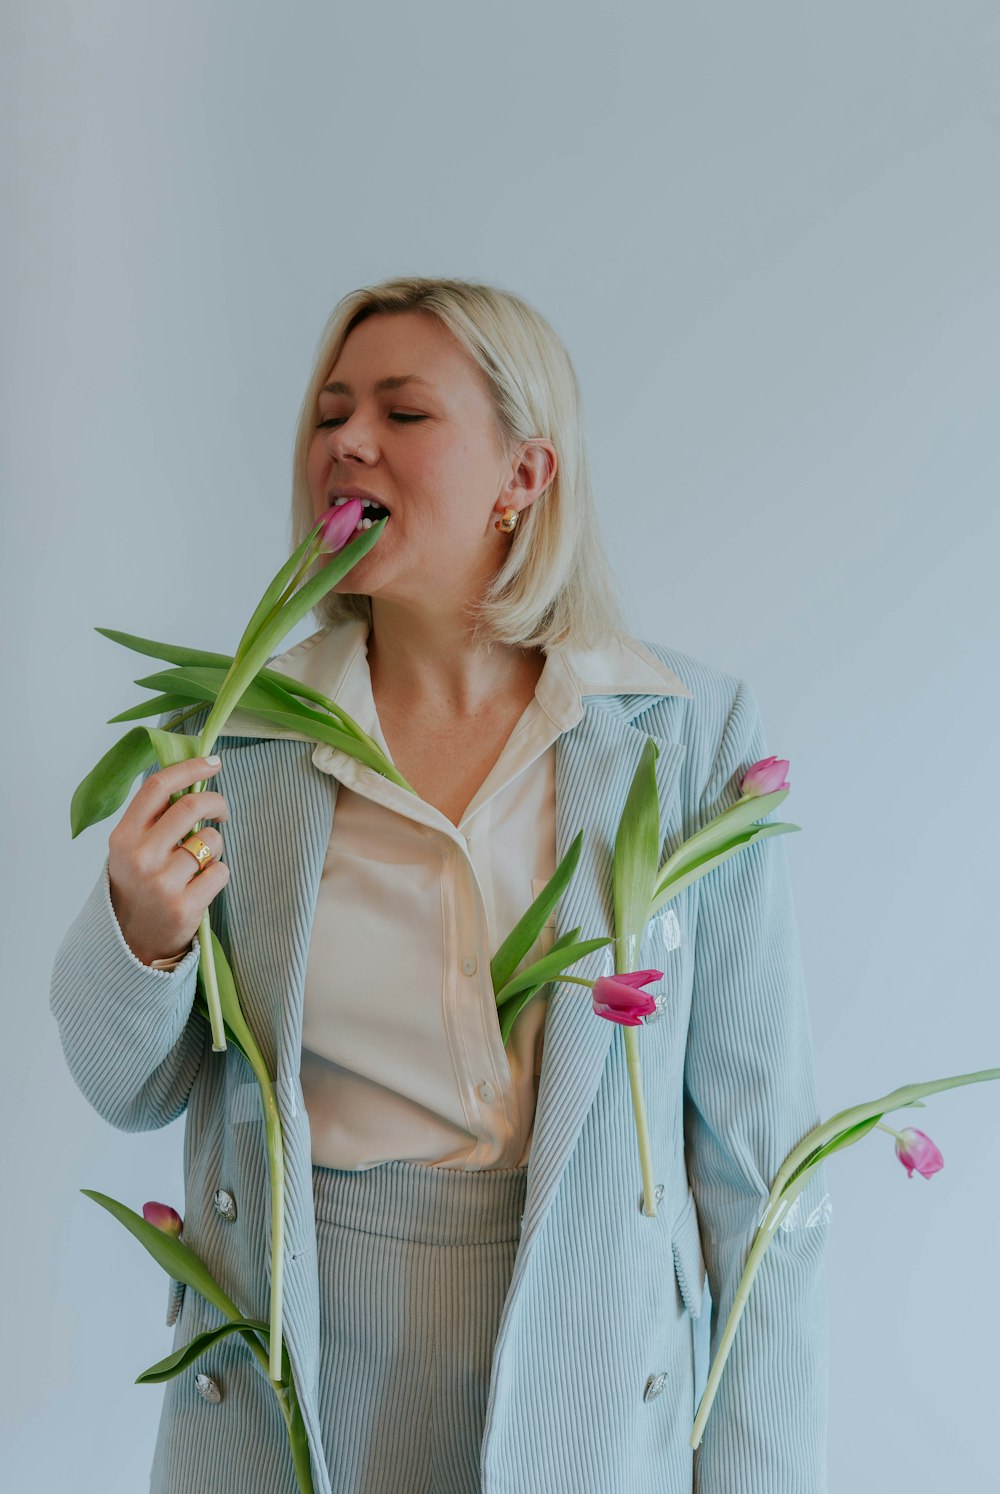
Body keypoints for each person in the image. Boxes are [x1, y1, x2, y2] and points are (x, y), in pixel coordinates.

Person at [50, 276, 831, 1494]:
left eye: (403, 414)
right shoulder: (237, 739)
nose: (345, 441)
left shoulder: (686, 738)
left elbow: (758, 1173)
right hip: (294, 1367)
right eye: (329, 412)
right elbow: (124, 1087)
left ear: (525, 476)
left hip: (582, 1371)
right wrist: (141, 936)